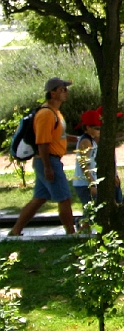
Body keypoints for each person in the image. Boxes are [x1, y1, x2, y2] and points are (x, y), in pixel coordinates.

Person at [9, 77, 76, 236]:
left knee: (39, 198)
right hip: (48, 160)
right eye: (63, 89)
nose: (66, 92)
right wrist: (47, 167)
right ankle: (71, 234)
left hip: (48, 161)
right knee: (65, 198)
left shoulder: (56, 113)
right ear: (53, 93)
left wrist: (79, 139)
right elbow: (42, 143)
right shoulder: (46, 114)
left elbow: (58, 135)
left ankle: (16, 231)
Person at [72, 107, 123, 210]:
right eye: (97, 128)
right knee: (91, 214)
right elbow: (83, 164)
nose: (99, 130)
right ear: (87, 127)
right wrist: (92, 184)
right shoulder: (86, 141)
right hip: (85, 184)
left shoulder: (94, 139)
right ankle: (81, 224)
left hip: (95, 181)